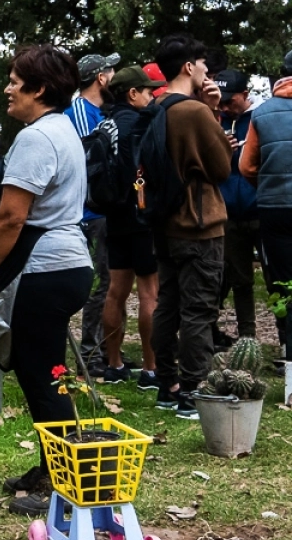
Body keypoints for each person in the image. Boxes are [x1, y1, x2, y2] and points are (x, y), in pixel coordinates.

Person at [0, 45, 94, 516]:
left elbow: (10, 218)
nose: (8, 89)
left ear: (40, 89)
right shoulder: (62, 129)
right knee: (46, 373)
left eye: (16, 81)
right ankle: (53, 466)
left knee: (40, 378)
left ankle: (61, 484)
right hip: (69, 264)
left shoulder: (35, 138)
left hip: (44, 268)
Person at [149, 34, 233, 420]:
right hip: (198, 223)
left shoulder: (158, 105)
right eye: (202, 64)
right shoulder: (194, 112)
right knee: (199, 310)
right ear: (188, 67)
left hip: (164, 223)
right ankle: (194, 391)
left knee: (168, 304)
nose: (206, 71)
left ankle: (167, 385)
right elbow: (221, 169)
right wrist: (213, 114)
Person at [99, 66, 163, 389]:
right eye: (147, 91)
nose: (152, 97)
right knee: (149, 292)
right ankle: (151, 370)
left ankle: (114, 364)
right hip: (141, 215)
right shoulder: (140, 123)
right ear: (132, 93)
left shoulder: (105, 123)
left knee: (116, 291)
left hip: (113, 217)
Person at [68, 52, 120, 376]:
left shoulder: (101, 110)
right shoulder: (81, 113)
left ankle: (104, 352)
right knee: (99, 284)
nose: (114, 75)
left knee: (109, 282)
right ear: (101, 78)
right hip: (89, 212)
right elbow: (92, 163)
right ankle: (89, 356)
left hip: (102, 210)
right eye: (111, 71)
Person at [239, 49, 292, 362]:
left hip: (274, 208)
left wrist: (269, 182)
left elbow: (246, 166)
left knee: (283, 279)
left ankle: (288, 347)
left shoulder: (262, 113)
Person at [215, 70, 261, 343]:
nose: (224, 107)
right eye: (220, 102)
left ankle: (284, 341)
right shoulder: (216, 121)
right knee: (239, 279)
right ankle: (248, 337)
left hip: (259, 208)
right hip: (228, 211)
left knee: (275, 279)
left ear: (245, 95)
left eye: (229, 101)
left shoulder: (259, 119)